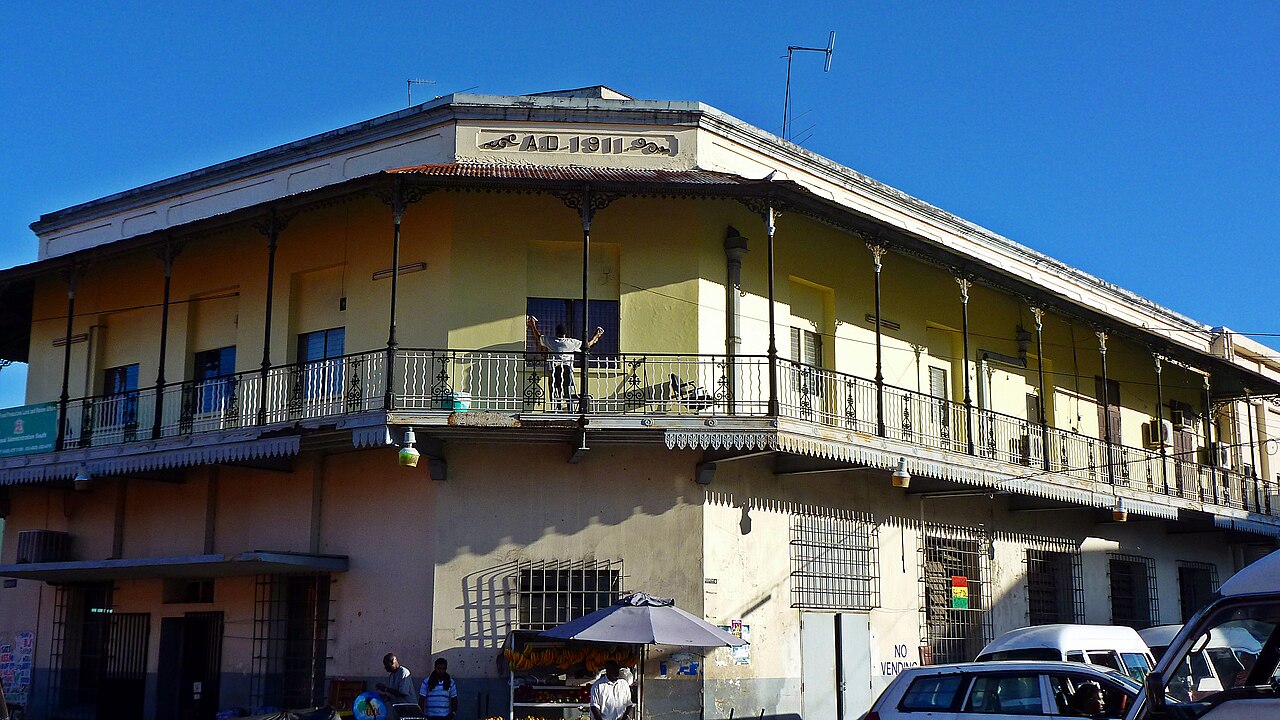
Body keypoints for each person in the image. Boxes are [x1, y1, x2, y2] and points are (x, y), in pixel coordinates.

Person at [527, 315, 604, 411]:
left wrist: (532, 324)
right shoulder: (571, 342)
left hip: (555, 370)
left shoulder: (552, 341)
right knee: (568, 390)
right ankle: (570, 409)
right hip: (567, 371)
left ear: (556, 333)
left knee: (555, 389)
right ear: (565, 333)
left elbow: (539, 337)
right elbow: (587, 345)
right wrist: (596, 336)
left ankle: (557, 408)